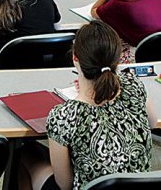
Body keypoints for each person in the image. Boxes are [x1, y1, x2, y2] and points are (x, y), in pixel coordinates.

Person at [19, 20, 156, 190]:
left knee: (25, 152)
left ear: (75, 58)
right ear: (117, 57)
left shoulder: (64, 115)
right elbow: (151, 123)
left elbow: (64, 184)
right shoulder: (133, 85)